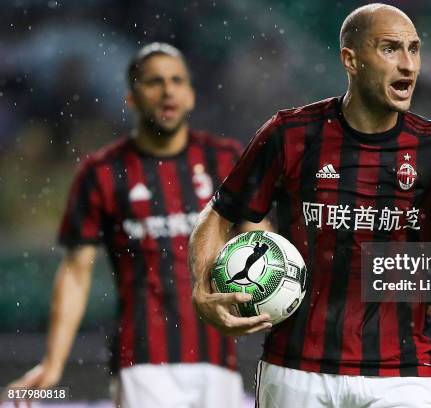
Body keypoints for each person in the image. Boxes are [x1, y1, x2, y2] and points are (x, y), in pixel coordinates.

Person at [190, 3, 431, 408]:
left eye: (414, 49)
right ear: (351, 59)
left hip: (402, 374)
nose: (409, 65)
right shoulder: (291, 133)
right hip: (296, 369)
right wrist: (202, 291)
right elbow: (220, 215)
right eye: (391, 49)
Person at [9, 42, 265, 408]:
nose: (167, 90)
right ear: (131, 97)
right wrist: (53, 363)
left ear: (191, 95)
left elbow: (259, 238)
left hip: (218, 358)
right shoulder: (101, 172)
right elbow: (76, 273)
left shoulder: (224, 160)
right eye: (154, 81)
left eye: (177, 80)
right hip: (141, 360)